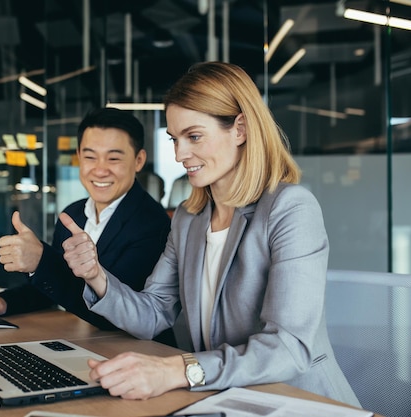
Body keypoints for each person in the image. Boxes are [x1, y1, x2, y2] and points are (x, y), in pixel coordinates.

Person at [58, 62, 361, 406]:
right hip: (222, 397)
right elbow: (154, 312)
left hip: (294, 399)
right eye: (175, 139)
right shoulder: (189, 218)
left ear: (240, 129)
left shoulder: (290, 208)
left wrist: (178, 370)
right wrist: (96, 276)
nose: (179, 154)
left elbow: (288, 348)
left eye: (194, 136)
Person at [0, 107, 173, 339]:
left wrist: (41, 261)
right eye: (90, 157)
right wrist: (4, 301)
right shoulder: (74, 214)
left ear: (139, 160)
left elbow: (116, 314)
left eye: (113, 158)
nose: (100, 170)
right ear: (78, 156)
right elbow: (52, 288)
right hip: (79, 339)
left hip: (128, 352)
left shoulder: (152, 224)